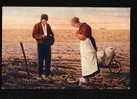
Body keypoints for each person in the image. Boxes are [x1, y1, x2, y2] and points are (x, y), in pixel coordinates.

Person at [71, 17, 99, 85]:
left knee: (87, 61)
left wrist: (77, 34)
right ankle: (86, 77)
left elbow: (83, 37)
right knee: (85, 62)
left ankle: (86, 78)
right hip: (86, 47)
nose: (74, 27)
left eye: (74, 25)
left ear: (76, 23)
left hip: (88, 47)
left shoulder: (84, 26)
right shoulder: (82, 26)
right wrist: (78, 34)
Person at [32, 14, 54, 80]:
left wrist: (51, 40)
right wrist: (41, 36)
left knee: (48, 60)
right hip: (40, 44)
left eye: (45, 20)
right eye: (43, 20)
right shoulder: (37, 25)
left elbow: (52, 34)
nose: (44, 22)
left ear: (47, 20)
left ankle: (47, 75)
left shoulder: (48, 25)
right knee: (40, 59)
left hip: (47, 44)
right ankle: (39, 75)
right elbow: (34, 35)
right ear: (41, 19)